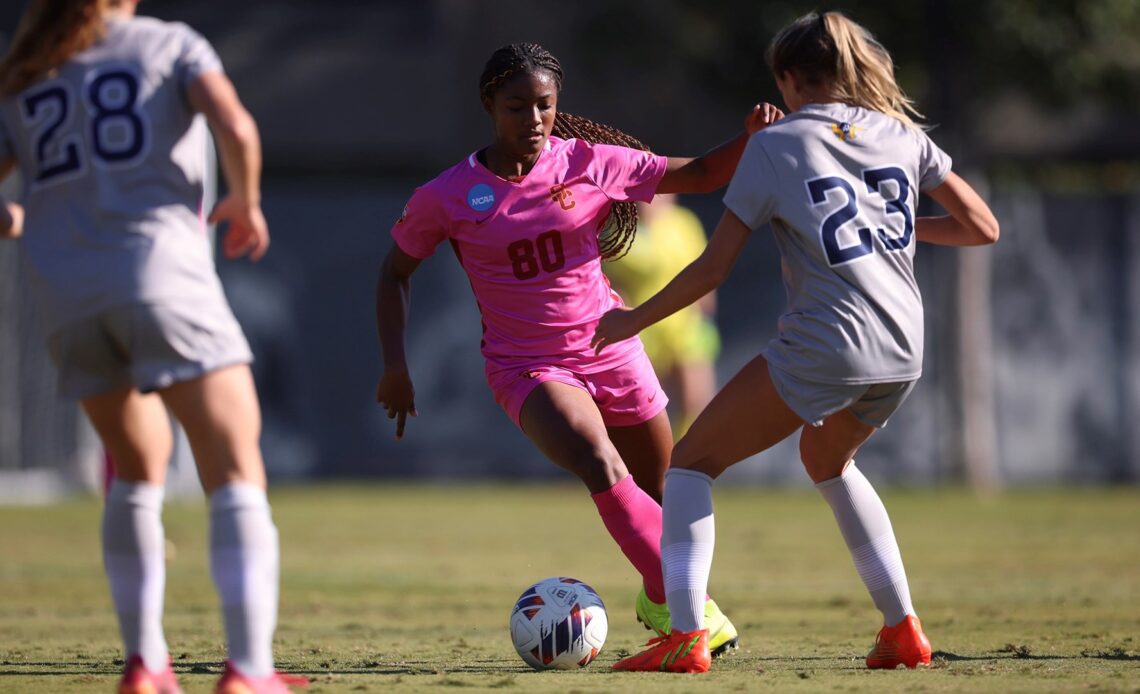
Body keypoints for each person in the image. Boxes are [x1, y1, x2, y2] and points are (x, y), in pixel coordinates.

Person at [596, 11, 999, 673]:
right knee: (828, 460)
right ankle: (903, 630)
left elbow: (713, 268)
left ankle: (687, 637)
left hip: (830, 341)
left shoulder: (777, 145)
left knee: (690, 464)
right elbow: (982, 226)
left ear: (787, 78)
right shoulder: (900, 134)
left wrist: (631, 321)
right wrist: (885, 230)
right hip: (903, 345)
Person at [375, 42, 782, 657]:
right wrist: (395, 367)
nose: (533, 119)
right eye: (517, 106)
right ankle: (689, 620)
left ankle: (659, 596)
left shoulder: (588, 162)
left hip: (611, 346)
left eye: (544, 105)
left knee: (669, 495)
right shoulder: (449, 194)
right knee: (598, 461)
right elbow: (393, 274)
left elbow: (696, 175)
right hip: (526, 366)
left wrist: (749, 138)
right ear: (489, 105)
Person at [0, 1, 307, 692]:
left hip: (69, 296)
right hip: (162, 275)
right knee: (235, 468)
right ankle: (250, 672)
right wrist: (246, 199)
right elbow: (235, 125)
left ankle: (146, 664)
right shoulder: (168, 43)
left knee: (135, 473)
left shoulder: (25, 71)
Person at [603, 194, 721, 437]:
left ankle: (687, 465)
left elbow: (704, 268)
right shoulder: (620, 230)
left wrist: (705, 307)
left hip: (687, 325)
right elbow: (610, 281)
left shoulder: (684, 223)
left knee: (696, 401)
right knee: (650, 407)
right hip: (642, 327)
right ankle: (657, 464)